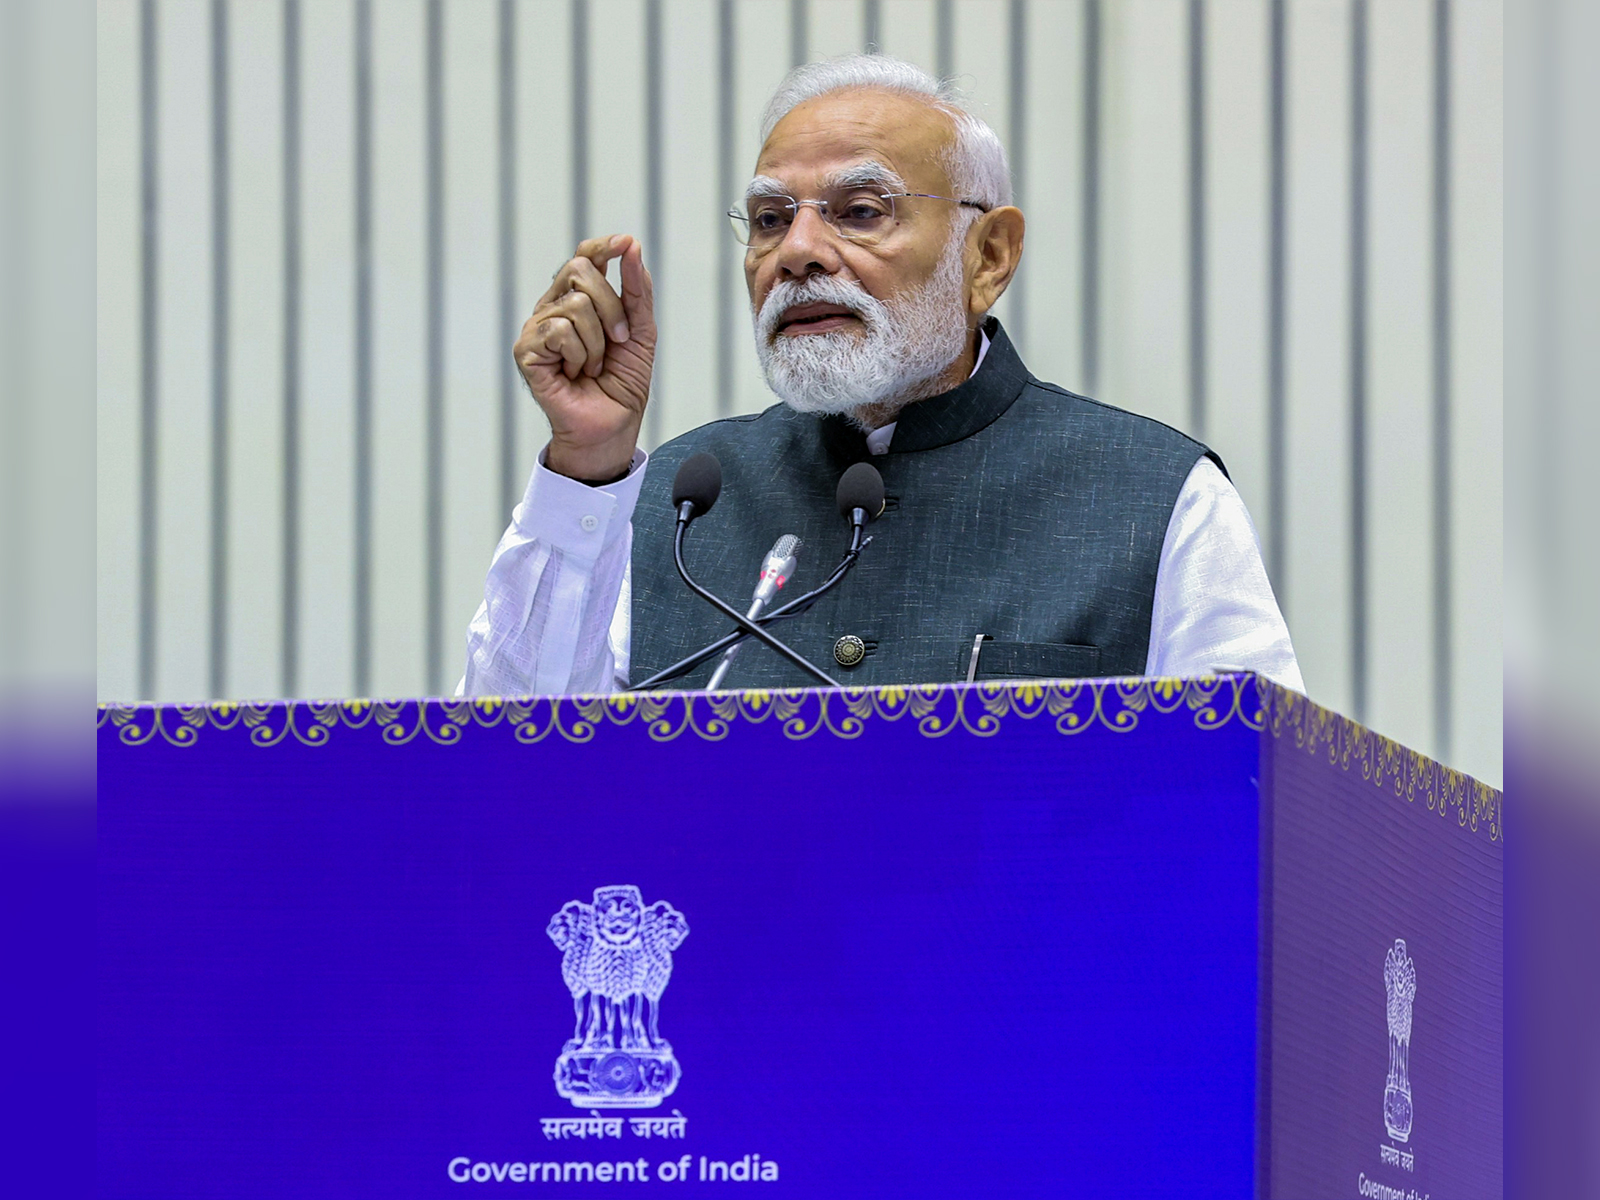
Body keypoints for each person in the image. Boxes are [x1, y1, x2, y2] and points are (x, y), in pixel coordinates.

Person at [461, 54, 1302, 697]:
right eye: (768, 219)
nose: (796, 253)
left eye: (861, 212)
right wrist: (587, 466)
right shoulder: (683, 501)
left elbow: (1254, 812)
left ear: (990, 254)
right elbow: (504, 778)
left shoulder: (1152, 497)